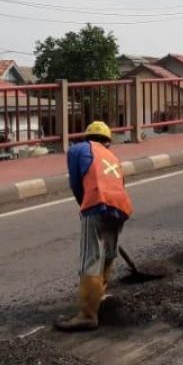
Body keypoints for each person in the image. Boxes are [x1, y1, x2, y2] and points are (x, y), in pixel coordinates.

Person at [54, 121, 133, 332]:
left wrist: (84, 204)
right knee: (108, 254)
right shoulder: (114, 158)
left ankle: (87, 315)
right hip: (122, 206)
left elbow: (75, 182)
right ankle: (98, 299)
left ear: (87, 137)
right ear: (108, 142)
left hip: (97, 202)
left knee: (91, 258)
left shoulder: (78, 149)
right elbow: (119, 185)